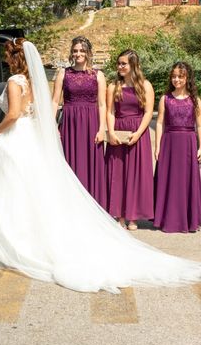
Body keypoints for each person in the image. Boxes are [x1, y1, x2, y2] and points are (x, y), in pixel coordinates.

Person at [0, 38, 201, 294]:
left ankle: (13, 238)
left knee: (11, 188)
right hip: (33, 134)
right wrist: (51, 128)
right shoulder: (32, 81)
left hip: (18, 135)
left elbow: (15, 114)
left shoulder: (15, 82)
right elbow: (50, 104)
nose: (5, 59)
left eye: (7, 56)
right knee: (27, 187)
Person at [52, 36, 107, 207]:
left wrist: (102, 129)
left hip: (91, 123)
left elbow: (103, 104)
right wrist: (52, 125)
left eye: (82, 50)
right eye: (75, 50)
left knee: (91, 165)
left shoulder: (98, 75)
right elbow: (55, 101)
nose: (78, 54)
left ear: (88, 52)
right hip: (70, 123)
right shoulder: (64, 73)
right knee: (69, 162)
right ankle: (71, 206)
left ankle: (93, 206)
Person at [105, 50, 155, 231]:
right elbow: (110, 111)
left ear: (133, 64)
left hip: (138, 133)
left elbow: (149, 112)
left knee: (136, 175)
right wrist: (110, 132)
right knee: (118, 174)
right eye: (118, 63)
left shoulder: (145, 85)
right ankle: (120, 215)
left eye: (123, 63)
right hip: (118, 131)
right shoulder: (113, 86)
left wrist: (139, 133)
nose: (120, 67)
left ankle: (133, 216)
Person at [153, 62, 201, 233]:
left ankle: (188, 220)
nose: (176, 79)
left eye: (180, 76)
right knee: (169, 180)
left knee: (186, 181)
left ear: (187, 78)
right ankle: (167, 219)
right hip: (169, 142)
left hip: (188, 143)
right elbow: (159, 123)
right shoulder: (165, 98)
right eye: (174, 76)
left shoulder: (195, 100)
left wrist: (200, 147)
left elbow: (199, 126)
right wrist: (157, 146)